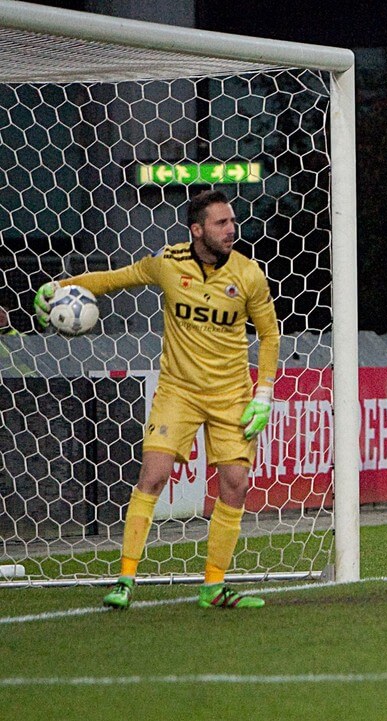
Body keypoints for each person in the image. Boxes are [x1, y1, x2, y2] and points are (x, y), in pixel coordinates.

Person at [33, 189, 280, 610]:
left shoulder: (249, 274)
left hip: (231, 396)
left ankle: (213, 587)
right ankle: (126, 580)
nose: (231, 230)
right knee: (154, 475)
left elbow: (270, 335)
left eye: (232, 222)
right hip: (178, 392)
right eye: (221, 223)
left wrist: (264, 394)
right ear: (197, 229)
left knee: (235, 485)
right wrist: (60, 286)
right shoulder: (169, 263)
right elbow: (113, 279)